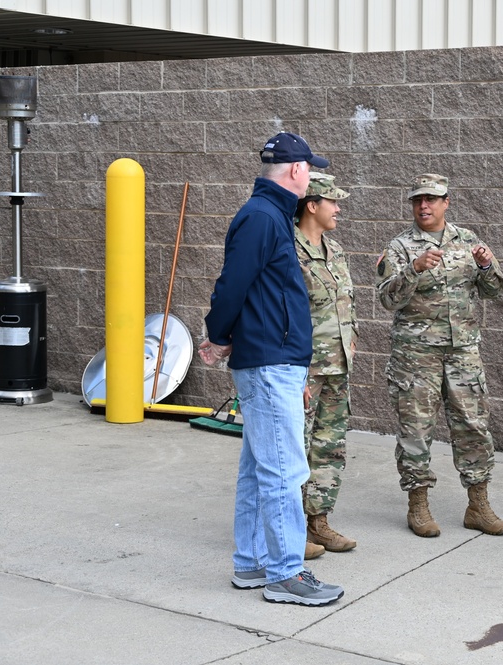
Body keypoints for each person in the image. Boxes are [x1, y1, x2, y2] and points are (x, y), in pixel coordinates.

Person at [198, 131, 343, 606]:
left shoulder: (270, 215)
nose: (312, 179)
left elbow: (260, 292)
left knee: (260, 469)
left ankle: (252, 563)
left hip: (273, 358)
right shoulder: (263, 218)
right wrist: (218, 337)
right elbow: (231, 286)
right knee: (284, 470)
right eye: (311, 171)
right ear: (297, 171)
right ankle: (285, 573)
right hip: (268, 362)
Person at [376, 174, 503, 538]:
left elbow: (496, 289)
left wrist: (485, 266)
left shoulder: (468, 241)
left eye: (432, 199)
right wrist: (413, 270)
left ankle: (478, 504)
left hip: (463, 352)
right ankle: (418, 505)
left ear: (446, 202)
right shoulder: (401, 247)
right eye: (418, 200)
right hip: (415, 356)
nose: (424, 205)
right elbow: (387, 298)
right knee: (416, 432)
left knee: (474, 426)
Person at [294, 172, 358, 553]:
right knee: (296, 448)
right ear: (312, 205)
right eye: (332, 202)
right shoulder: (288, 249)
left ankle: (319, 522)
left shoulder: (335, 251)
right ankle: (292, 528)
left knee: (329, 447)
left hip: (338, 366)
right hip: (304, 369)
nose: (338, 209)